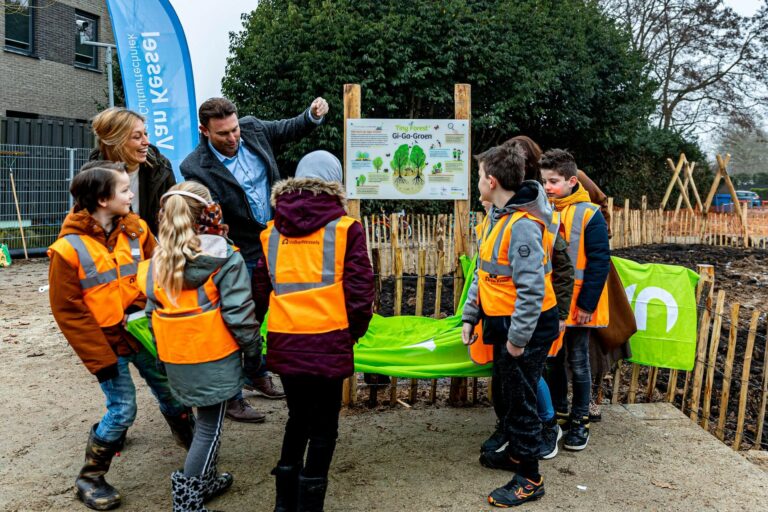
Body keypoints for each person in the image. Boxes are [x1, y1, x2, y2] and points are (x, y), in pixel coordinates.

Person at [48, 162, 192, 511]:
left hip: (141, 332)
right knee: (123, 409)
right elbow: (69, 312)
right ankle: (90, 478)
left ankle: (195, 449)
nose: (131, 195)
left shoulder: (137, 230)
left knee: (173, 393)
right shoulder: (67, 250)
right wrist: (101, 360)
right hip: (106, 343)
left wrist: (144, 308)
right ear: (102, 199)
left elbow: (157, 272)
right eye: (124, 190)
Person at [181, 96, 329, 422]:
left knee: (262, 313)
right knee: (237, 320)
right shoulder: (194, 167)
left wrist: (311, 114)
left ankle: (255, 372)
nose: (233, 137)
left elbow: (289, 128)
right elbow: (211, 218)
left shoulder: (253, 129)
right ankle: (232, 396)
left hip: (275, 240)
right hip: (241, 249)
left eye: (234, 129)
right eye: (223, 134)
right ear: (205, 131)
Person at [251, 150, 374, 512]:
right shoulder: (346, 228)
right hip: (329, 338)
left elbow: (259, 290)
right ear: (336, 183)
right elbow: (360, 290)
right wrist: (352, 333)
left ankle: (284, 504)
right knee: (324, 426)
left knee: (297, 418)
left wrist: (254, 334)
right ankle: (309, 505)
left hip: (286, 340)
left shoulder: (271, 233)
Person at [136, 181, 264, 512]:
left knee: (206, 421)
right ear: (209, 214)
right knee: (209, 427)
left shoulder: (157, 261)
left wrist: (162, 355)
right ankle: (187, 499)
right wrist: (254, 352)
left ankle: (206, 481)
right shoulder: (225, 258)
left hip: (175, 356)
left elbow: (152, 315)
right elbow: (240, 316)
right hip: (213, 356)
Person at [462, 142, 560, 507]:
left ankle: (530, 478)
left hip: (526, 328)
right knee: (508, 394)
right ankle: (518, 453)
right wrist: (471, 315)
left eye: (478, 176)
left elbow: (532, 291)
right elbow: (484, 271)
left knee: (521, 401)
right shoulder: (497, 218)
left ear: (491, 181)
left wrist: (518, 340)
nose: (477, 182)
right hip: (504, 322)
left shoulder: (522, 227)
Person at [540, 149, 611, 451]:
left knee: (579, 361)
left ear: (571, 181)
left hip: (580, 305)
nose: (547, 187)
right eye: (544, 181)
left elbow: (599, 262)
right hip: (552, 303)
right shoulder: (543, 210)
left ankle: (580, 420)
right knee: (552, 360)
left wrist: (586, 305)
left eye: (553, 182)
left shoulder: (589, 214)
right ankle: (558, 415)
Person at [89, 107, 176, 235]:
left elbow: (175, 218)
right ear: (115, 141)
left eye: (145, 134)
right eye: (137, 137)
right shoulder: (92, 178)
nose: (147, 142)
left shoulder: (161, 167)